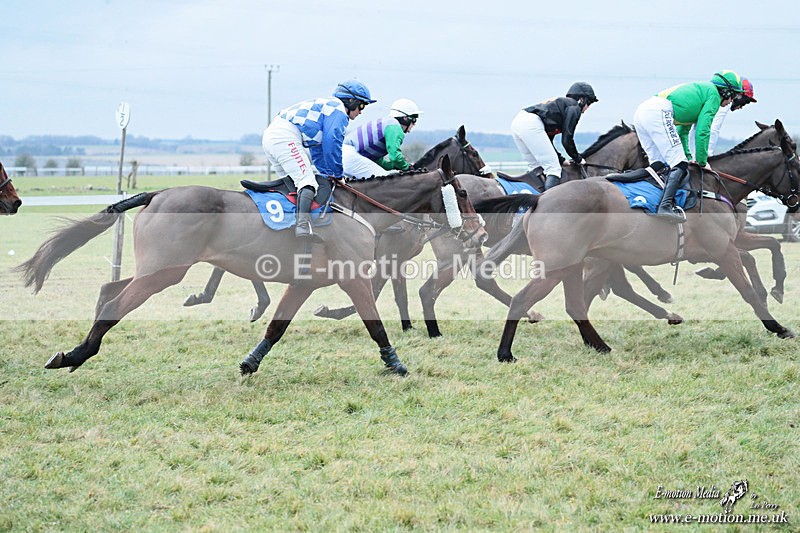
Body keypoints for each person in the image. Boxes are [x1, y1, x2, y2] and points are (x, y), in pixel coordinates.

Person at [262, 79, 376, 240]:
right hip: (284, 136)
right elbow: (332, 143)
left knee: (292, 185)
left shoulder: (327, 110)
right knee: (307, 182)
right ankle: (302, 227)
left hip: (273, 136)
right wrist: (338, 174)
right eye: (362, 106)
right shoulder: (339, 111)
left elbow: (318, 152)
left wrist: (329, 174)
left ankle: (286, 226)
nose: (361, 112)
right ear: (351, 101)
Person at [633, 70, 744, 223]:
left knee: (659, 165)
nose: (731, 101)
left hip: (642, 112)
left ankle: (650, 200)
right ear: (726, 92)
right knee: (679, 163)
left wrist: (689, 157)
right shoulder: (713, 96)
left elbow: (683, 132)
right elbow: (703, 131)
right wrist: (702, 162)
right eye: (733, 95)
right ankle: (665, 207)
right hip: (658, 112)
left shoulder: (702, 93)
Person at [510, 82, 598, 190]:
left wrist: (561, 159)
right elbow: (567, 139)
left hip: (518, 122)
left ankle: (533, 197)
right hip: (531, 123)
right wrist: (578, 158)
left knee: (536, 167)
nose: (587, 108)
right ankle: (548, 200)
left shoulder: (561, 107)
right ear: (581, 99)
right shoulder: (574, 107)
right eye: (589, 103)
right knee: (554, 169)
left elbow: (547, 142)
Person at [343, 98, 422, 179]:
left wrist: (393, 166)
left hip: (345, 153)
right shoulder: (395, 128)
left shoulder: (387, 123)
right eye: (414, 120)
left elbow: (378, 161)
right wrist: (407, 168)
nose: (414, 124)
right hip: (351, 155)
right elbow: (395, 157)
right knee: (386, 181)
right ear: (405, 118)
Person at [689, 77, 756, 156]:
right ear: (738, 95)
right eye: (745, 101)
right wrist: (707, 155)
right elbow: (713, 129)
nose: (741, 107)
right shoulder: (722, 101)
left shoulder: (710, 94)